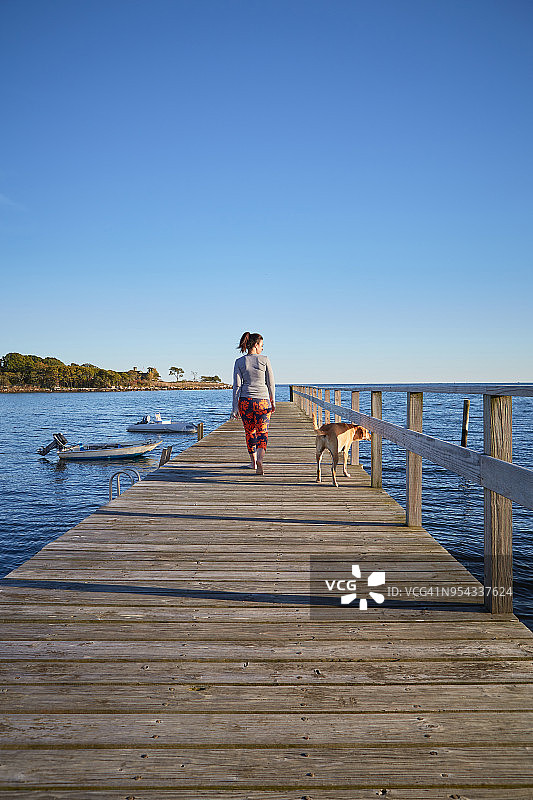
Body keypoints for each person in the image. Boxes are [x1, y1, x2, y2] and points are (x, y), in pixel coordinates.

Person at [230, 331, 275, 475]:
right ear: (255, 345)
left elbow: (237, 386)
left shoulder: (239, 362)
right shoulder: (265, 359)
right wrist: (272, 400)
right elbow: (270, 383)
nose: (262, 348)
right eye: (261, 345)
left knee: (250, 432)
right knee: (262, 432)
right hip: (263, 402)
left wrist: (235, 408)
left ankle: (253, 462)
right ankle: (261, 459)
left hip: (245, 401)